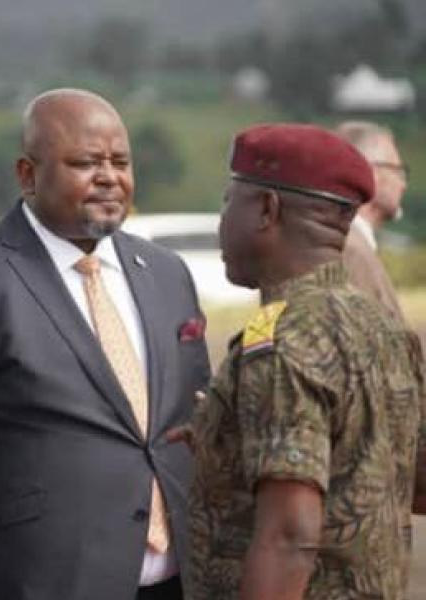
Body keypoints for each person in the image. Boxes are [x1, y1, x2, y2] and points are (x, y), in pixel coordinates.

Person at [0, 88, 210, 600]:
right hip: (45, 580)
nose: (109, 177)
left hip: (181, 577)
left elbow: (194, 421)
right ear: (27, 175)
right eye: (85, 163)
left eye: (120, 161)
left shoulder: (167, 272)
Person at [185, 123, 426, 599]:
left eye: (228, 202)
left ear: (267, 210)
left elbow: (288, 538)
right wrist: (224, 439)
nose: (221, 222)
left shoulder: (280, 342)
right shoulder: (385, 328)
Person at [335, 121, 408, 319]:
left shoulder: (344, 242)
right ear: (370, 173)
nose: (403, 185)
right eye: (398, 171)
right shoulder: (351, 250)